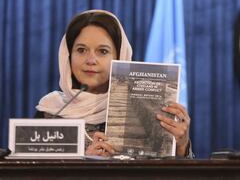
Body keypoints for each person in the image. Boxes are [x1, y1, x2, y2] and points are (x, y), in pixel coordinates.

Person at [35, 9, 193, 158]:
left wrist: (181, 147)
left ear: (120, 56)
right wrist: (83, 165)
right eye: (81, 50)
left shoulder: (146, 110)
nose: (90, 60)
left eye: (102, 51)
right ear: (68, 56)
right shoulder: (50, 111)